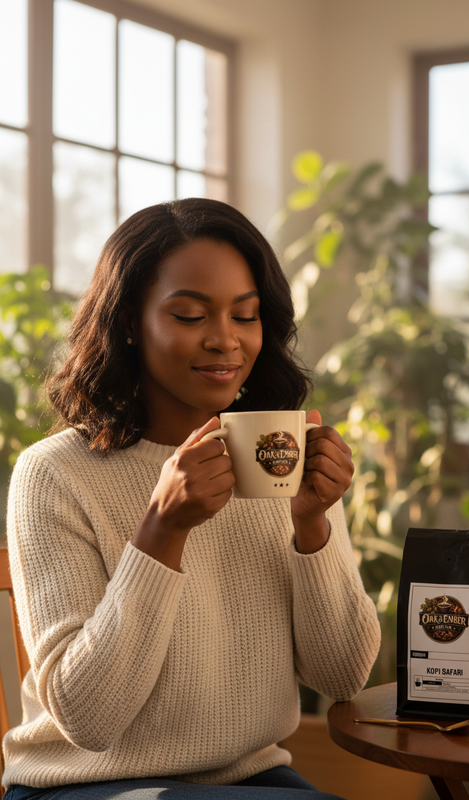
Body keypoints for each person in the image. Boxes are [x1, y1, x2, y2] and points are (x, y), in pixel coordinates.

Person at [3, 199, 381, 800]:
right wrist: (161, 529)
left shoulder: (277, 455)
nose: (225, 341)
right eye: (189, 315)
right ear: (129, 321)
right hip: (87, 786)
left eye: (247, 315)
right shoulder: (55, 474)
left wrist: (314, 528)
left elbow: (341, 675)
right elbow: (87, 719)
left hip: (252, 780)